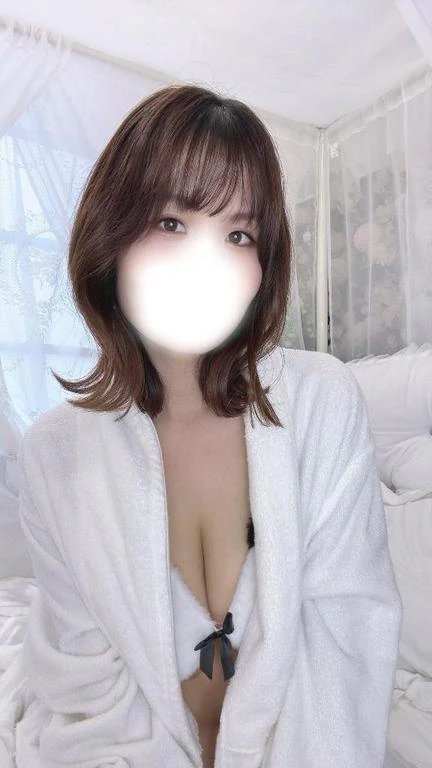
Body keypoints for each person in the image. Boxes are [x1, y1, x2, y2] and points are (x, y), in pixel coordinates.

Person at [1, 84, 402, 768]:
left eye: (239, 234)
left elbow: (350, 644)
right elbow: (85, 685)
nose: (206, 263)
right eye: (171, 222)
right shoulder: (54, 453)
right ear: (112, 236)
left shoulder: (321, 400)